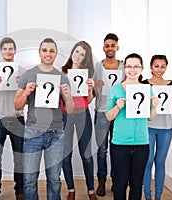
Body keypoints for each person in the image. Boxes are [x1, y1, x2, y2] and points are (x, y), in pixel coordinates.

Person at [14, 38, 75, 200]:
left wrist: (68, 97)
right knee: (29, 180)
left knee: (54, 180)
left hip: (56, 133)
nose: (48, 54)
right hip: (33, 132)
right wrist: (26, 92)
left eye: (52, 51)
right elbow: (17, 105)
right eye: (45, 50)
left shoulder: (62, 77)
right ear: (40, 52)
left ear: (55, 54)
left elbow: (69, 110)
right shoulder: (28, 74)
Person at [105, 53, 159, 200]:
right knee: (120, 183)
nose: (132, 69)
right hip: (120, 144)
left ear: (141, 68)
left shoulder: (147, 89)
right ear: (124, 68)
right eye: (129, 66)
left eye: (136, 66)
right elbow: (108, 116)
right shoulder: (115, 89)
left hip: (142, 143)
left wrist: (154, 107)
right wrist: (117, 107)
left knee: (136, 184)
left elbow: (150, 117)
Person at [0, 37, 25, 200]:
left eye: (11, 49)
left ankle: (20, 191)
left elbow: (26, 99)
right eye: (5, 49)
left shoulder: (22, 71)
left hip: (17, 119)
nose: (8, 52)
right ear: (1, 51)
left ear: (15, 51)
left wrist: (21, 85)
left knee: (19, 159)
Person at [60, 41, 97, 200]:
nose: (78, 56)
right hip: (65, 115)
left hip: (82, 113)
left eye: (82, 54)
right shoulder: (61, 71)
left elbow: (88, 100)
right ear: (72, 52)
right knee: (65, 155)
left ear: (85, 58)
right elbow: (56, 98)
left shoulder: (86, 73)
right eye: (76, 52)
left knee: (86, 154)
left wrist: (90, 88)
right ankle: (71, 189)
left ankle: (91, 190)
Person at [142, 55, 172, 200]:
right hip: (148, 126)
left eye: (163, 66)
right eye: (156, 66)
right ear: (151, 67)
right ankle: (147, 195)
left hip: (166, 127)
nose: (160, 69)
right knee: (148, 161)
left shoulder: (171, 84)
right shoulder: (144, 84)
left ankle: (158, 196)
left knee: (160, 161)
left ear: (166, 67)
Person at [92, 33, 125, 196]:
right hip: (101, 113)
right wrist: (94, 86)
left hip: (120, 114)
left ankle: (117, 180)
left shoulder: (125, 66)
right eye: (107, 45)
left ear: (117, 47)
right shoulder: (98, 66)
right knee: (101, 150)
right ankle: (101, 181)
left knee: (117, 149)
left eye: (113, 45)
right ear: (103, 48)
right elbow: (89, 91)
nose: (110, 48)